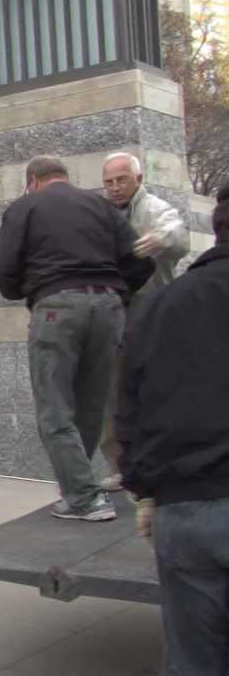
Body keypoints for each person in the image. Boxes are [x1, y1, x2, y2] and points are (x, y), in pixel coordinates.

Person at [0, 155, 153, 522]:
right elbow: (141, 259)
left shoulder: (24, 206)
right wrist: (117, 293)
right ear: (64, 177)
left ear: (32, 179)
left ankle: (84, 498)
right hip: (109, 305)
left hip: (56, 306)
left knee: (55, 409)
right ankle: (79, 491)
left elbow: (5, 268)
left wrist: (30, 291)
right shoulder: (101, 205)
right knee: (92, 405)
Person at [116, 188, 229, 675]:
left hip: (184, 513)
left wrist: (143, 489)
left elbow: (128, 409)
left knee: (193, 661)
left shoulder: (163, 305)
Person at [96, 152, 189, 492]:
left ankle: (166, 459)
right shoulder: (102, 212)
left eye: (121, 180)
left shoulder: (155, 209)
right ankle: (121, 466)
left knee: (158, 390)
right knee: (113, 394)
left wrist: (160, 239)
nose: (115, 187)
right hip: (114, 316)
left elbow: (178, 234)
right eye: (109, 182)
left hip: (151, 315)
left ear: (138, 178)